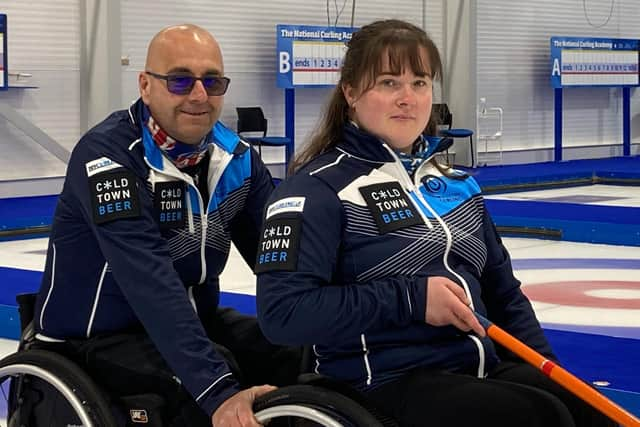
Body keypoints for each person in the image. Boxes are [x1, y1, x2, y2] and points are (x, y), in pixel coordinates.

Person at [255, 19, 616, 427]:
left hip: (475, 365)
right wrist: (411, 299)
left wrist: (551, 372)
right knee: (537, 416)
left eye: (420, 83)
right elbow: (283, 313)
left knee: (586, 410)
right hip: (382, 380)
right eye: (389, 82)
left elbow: (504, 294)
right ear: (351, 92)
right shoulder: (317, 190)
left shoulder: (455, 184)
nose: (407, 98)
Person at [33, 24, 298, 427]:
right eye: (179, 80)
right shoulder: (109, 158)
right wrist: (219, 392)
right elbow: (150, 283)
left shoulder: (236, 159)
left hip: (192, 319)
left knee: (292, 348)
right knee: (212, 377)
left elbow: (278, 258)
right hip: (90, 339)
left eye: (212, 81)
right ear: (145, 85)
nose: (198, 95)